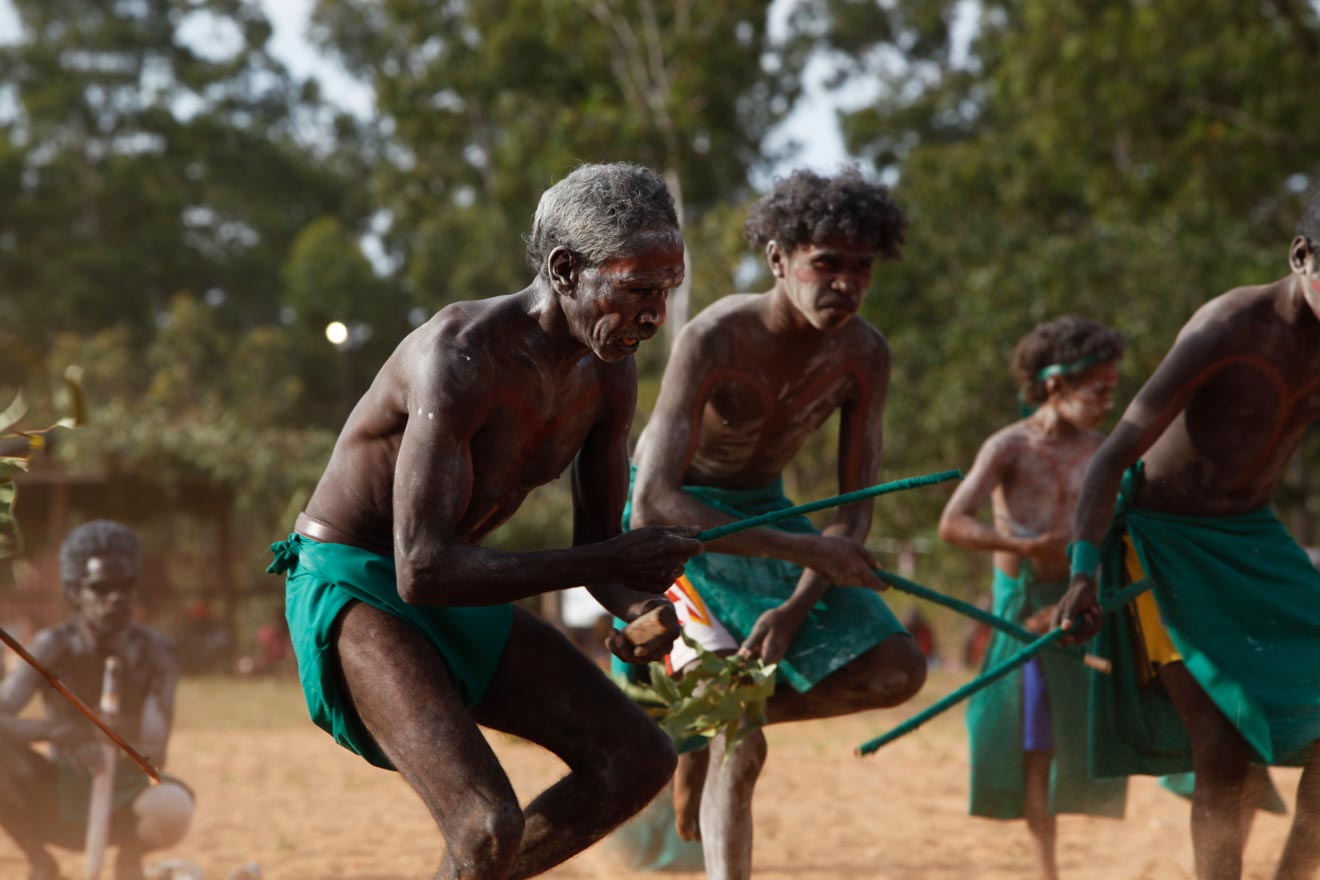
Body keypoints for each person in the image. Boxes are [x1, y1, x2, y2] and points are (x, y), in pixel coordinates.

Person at [265, 162, 703, 880]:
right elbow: (422, 568)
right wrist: (614, 563)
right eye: (637, 291)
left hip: (455, 582)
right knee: (485, 824)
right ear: (566, 270)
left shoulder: (608, 368)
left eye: (666, 291)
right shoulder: (460, 355)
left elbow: (597, 542)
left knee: (637, 759)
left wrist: (640, 608)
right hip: (358, 581)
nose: (654, 315)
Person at [627, 167, 927, 880]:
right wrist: (806, 551)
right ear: (779, 260)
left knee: (898, 669)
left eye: (862, 268)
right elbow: (654, 503)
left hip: (770, 519)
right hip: (679, 535)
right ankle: (715, 721)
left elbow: (856, 510)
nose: (846, 284)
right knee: (743, 736)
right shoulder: (713, 337)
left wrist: (796, 608)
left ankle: (701, 723)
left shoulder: (864, 353)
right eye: (827, 263)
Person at [1055, 193, 1320, 880]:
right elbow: (1109, 459)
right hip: (1165, 542)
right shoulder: (1229, 324)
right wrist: (1083, 571)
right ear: (1301, 255)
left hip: (1256, 541)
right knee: (1223, 750)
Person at [938, 316, 1127, 880]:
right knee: (1034, 750)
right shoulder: (1008, 447)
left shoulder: (1103, 453)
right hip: (1019, 610)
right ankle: (1047, 869)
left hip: (1080, 605)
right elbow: (953, 523)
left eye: (1112, 392)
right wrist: (1024, 543)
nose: (1107, 405)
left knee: (1081, 739)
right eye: (1098, 392)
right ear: (1054, 386)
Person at [0, 520, 194, 880]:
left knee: (174, 805)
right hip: (55, 796)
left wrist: (119, 740)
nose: (116, 598)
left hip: (126, 796)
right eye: (102, 588)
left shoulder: (157, 653)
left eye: (125, 587)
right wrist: (56, 731)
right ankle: (40, 860)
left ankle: (130, 859)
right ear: (75, 592)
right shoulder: (51, 646)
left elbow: (157, 749)